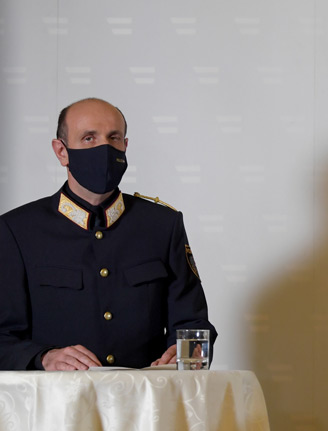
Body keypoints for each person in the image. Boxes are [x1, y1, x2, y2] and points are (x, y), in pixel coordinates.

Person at [0, 98, 216, 370]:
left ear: (125, 146)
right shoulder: (17, 230)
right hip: (57, 404)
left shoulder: (162, 225)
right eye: (88, 138)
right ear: (61, 151)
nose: (104, 147)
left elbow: (192, 323)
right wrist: (44, 357)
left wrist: (184, 354)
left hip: (145, 400)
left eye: (113, 138)